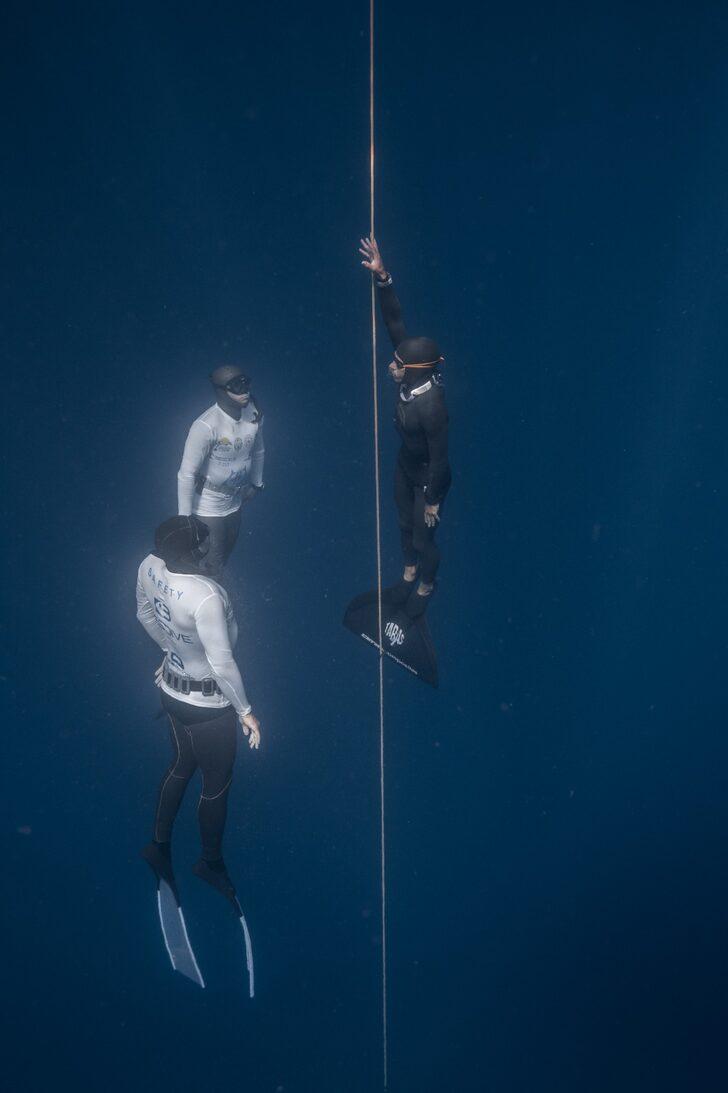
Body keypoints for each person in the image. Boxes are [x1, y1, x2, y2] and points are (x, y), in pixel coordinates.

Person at [136, 514, 261, 903]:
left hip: (170, 692)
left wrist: (173, 652)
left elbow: (143, 615)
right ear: (193, 551)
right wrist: (244, 711)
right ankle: (209, 862)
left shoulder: (148, 565)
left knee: (179, 766)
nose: (209, 546)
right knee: (216, 784)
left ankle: (158, 845)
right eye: (203, 542)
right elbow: (222, 664)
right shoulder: (206, 595)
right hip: (209, 707)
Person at [359, 236, 451, 617]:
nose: (391, 365)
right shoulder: (411, 372)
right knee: (400, 521)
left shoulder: (431, 407)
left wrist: (432, 500)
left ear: (414, 372)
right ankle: (409, 574)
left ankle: (426, 587)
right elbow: (394, 318)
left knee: (422, 532)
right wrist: (383, 277)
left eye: (398, 364)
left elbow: (443, 458)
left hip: (431, 474)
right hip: (406, 464)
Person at [177, 365, 265, 580]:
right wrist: (185, 519)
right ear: (220, 390)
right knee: (213, 562)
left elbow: (259, 449)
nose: (244, 391)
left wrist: (256, 483)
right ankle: (207, 602)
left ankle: (202, 583)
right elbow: (186, 474)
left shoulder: (254, 413)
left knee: (225, 553)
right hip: (208, 503)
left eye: (245, 383)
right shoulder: (205, 426)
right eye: (236, 386)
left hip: (235, 498)